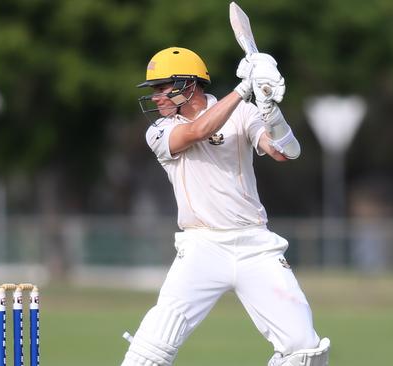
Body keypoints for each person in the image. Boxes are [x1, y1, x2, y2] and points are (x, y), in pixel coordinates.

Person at [120, 47, 330, 366]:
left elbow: (284, 152)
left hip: (255, 245)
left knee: (304, 350)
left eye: (163, 88)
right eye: (154, 90)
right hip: (202, 247)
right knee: (150, 351)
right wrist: (243, 89)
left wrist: (271, 111)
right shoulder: (160, 130)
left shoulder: (244, 113)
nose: (156, 97)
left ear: (188, 85)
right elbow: (198, 131)